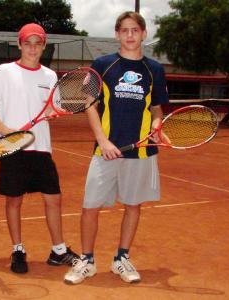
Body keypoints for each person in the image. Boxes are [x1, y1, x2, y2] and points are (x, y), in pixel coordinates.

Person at [64, 11, 169, 285]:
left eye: (135, 30)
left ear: (144, 34)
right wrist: (102, 139)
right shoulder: (103, 65)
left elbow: (156, 107)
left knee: (133, 205)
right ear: (117, 34)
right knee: (90, 206)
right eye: (124, 30)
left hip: (141, 151)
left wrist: (157, 125)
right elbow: (89, 104)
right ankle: (86, 260)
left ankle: (121, 258)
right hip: (106, 150)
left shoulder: (154, 69)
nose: (130, 35)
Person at [0, 23, 78, 274]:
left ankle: (58, 251)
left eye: (38, 43)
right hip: (13, 147)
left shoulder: (49, 76)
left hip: (42, 148)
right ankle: (18, 249)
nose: (33, 48)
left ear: (44, 46)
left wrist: (54, 113)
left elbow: (50, 109)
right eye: (28, 43)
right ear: (20, 44)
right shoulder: (4, 72)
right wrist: (6, 130)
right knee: (14, 201)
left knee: (53, 199)